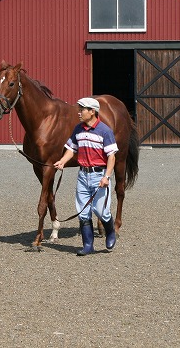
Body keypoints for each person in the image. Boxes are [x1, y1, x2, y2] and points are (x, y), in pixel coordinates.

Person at [54, 97, 118, 256]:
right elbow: (72, 149)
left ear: (92, 112)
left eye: (82, 109)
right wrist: (62, 161)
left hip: (99, 177)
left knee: (101, 211)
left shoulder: (105, 131)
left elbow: (112, 156)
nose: (79, 112)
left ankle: (110, 232)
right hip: (83, 175)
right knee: (83, 213)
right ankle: (88, 246)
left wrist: (107, 176)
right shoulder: (78, 129)